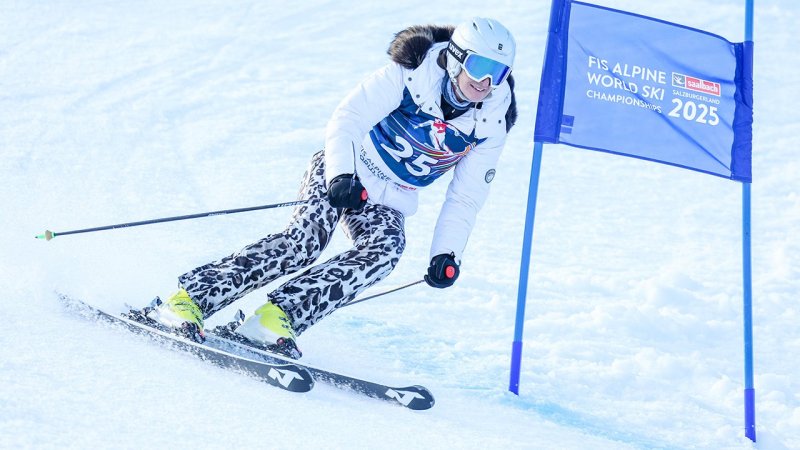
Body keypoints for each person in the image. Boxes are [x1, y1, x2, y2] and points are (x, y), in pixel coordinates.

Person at [146, 17, 518, 358]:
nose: (485, 82)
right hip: (347, 169)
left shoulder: (490, 122)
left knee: (385, 250)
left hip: (390, 197)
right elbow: (349, 118)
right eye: (479, 66)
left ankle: (274, 318)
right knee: (303, 243)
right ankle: (189, 299)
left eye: (498, 73)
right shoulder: (411, 72)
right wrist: (342, 175)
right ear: (455, 58)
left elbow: (465, 196)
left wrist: (446, 254)